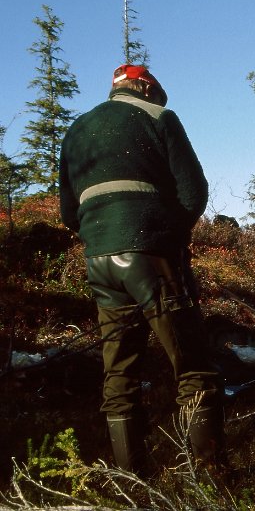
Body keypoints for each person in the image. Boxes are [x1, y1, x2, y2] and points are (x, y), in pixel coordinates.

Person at [59, 64, 224, 473]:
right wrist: (168, 237)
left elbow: (67, 211)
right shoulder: (159, 117)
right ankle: (209, 479)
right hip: (150, 254)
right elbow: (193, 192)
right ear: (148, 89)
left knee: (119, 372)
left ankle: (132, 481)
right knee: (193, 365)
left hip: (99, 260)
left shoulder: (77, 129)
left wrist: (102, 235)